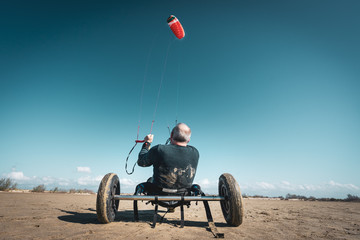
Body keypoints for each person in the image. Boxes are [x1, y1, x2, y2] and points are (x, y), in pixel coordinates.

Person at [137, 123, 199, 191]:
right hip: (184, 195)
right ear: (188, 139)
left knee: (150, 180)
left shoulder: (158, 149)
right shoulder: (195, 152)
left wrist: (147, 143)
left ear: (171, 135)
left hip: (158, 193)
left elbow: (141, 162)